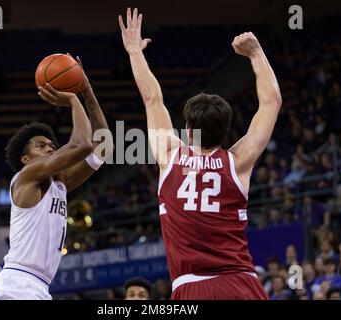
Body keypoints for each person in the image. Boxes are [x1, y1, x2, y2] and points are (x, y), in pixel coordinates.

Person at [119, 8, 281, 299]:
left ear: (188, 129)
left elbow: (152, 98)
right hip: (241, 283)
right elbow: (271, 102)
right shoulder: (237, 161)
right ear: (227, 129)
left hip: (191, 286)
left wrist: (134, 52)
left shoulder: (169, 155)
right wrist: (256, 53)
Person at [0, 58, 112, 300]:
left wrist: (87, 90)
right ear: (25, 158)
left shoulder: (60, 183)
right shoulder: (25, 177)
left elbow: (104, 147)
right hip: (17, 284)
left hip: (39, 287)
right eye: (40, 145)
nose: (50, 147)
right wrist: (72, 99)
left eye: (51, 144)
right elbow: (82, 144)